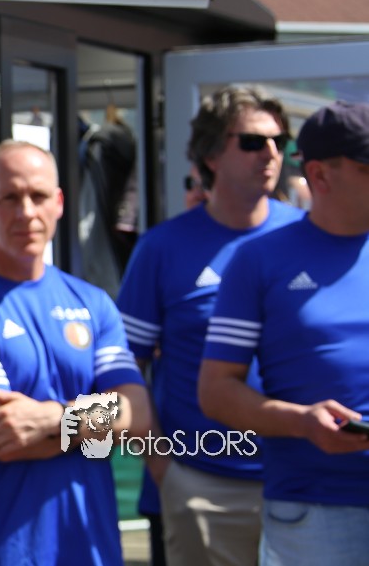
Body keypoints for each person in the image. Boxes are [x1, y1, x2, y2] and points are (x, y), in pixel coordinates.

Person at [0, 139, 150, 565]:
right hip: (6, 551)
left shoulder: (92, 302)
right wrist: (96, 427)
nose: (26, 212)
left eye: (38, 196)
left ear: (58, 203)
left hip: (95, 548)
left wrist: (53, 419)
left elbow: (137, 414)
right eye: (10, 197)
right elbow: (4, 438)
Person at [117, 86, 303, 566]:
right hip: (202, 487)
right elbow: (123, 371)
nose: (271, 154)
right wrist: (164, 467)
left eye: (280, 142)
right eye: (253, 142)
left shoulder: (308, 236)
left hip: (304, 483)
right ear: (211, 154)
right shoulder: (162, 248)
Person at [199, 100, 369, 566]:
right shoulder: (260, 260)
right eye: (366, 167)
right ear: (319, 175)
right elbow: (216, 391)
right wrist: (302, 422)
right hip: (318, 509)